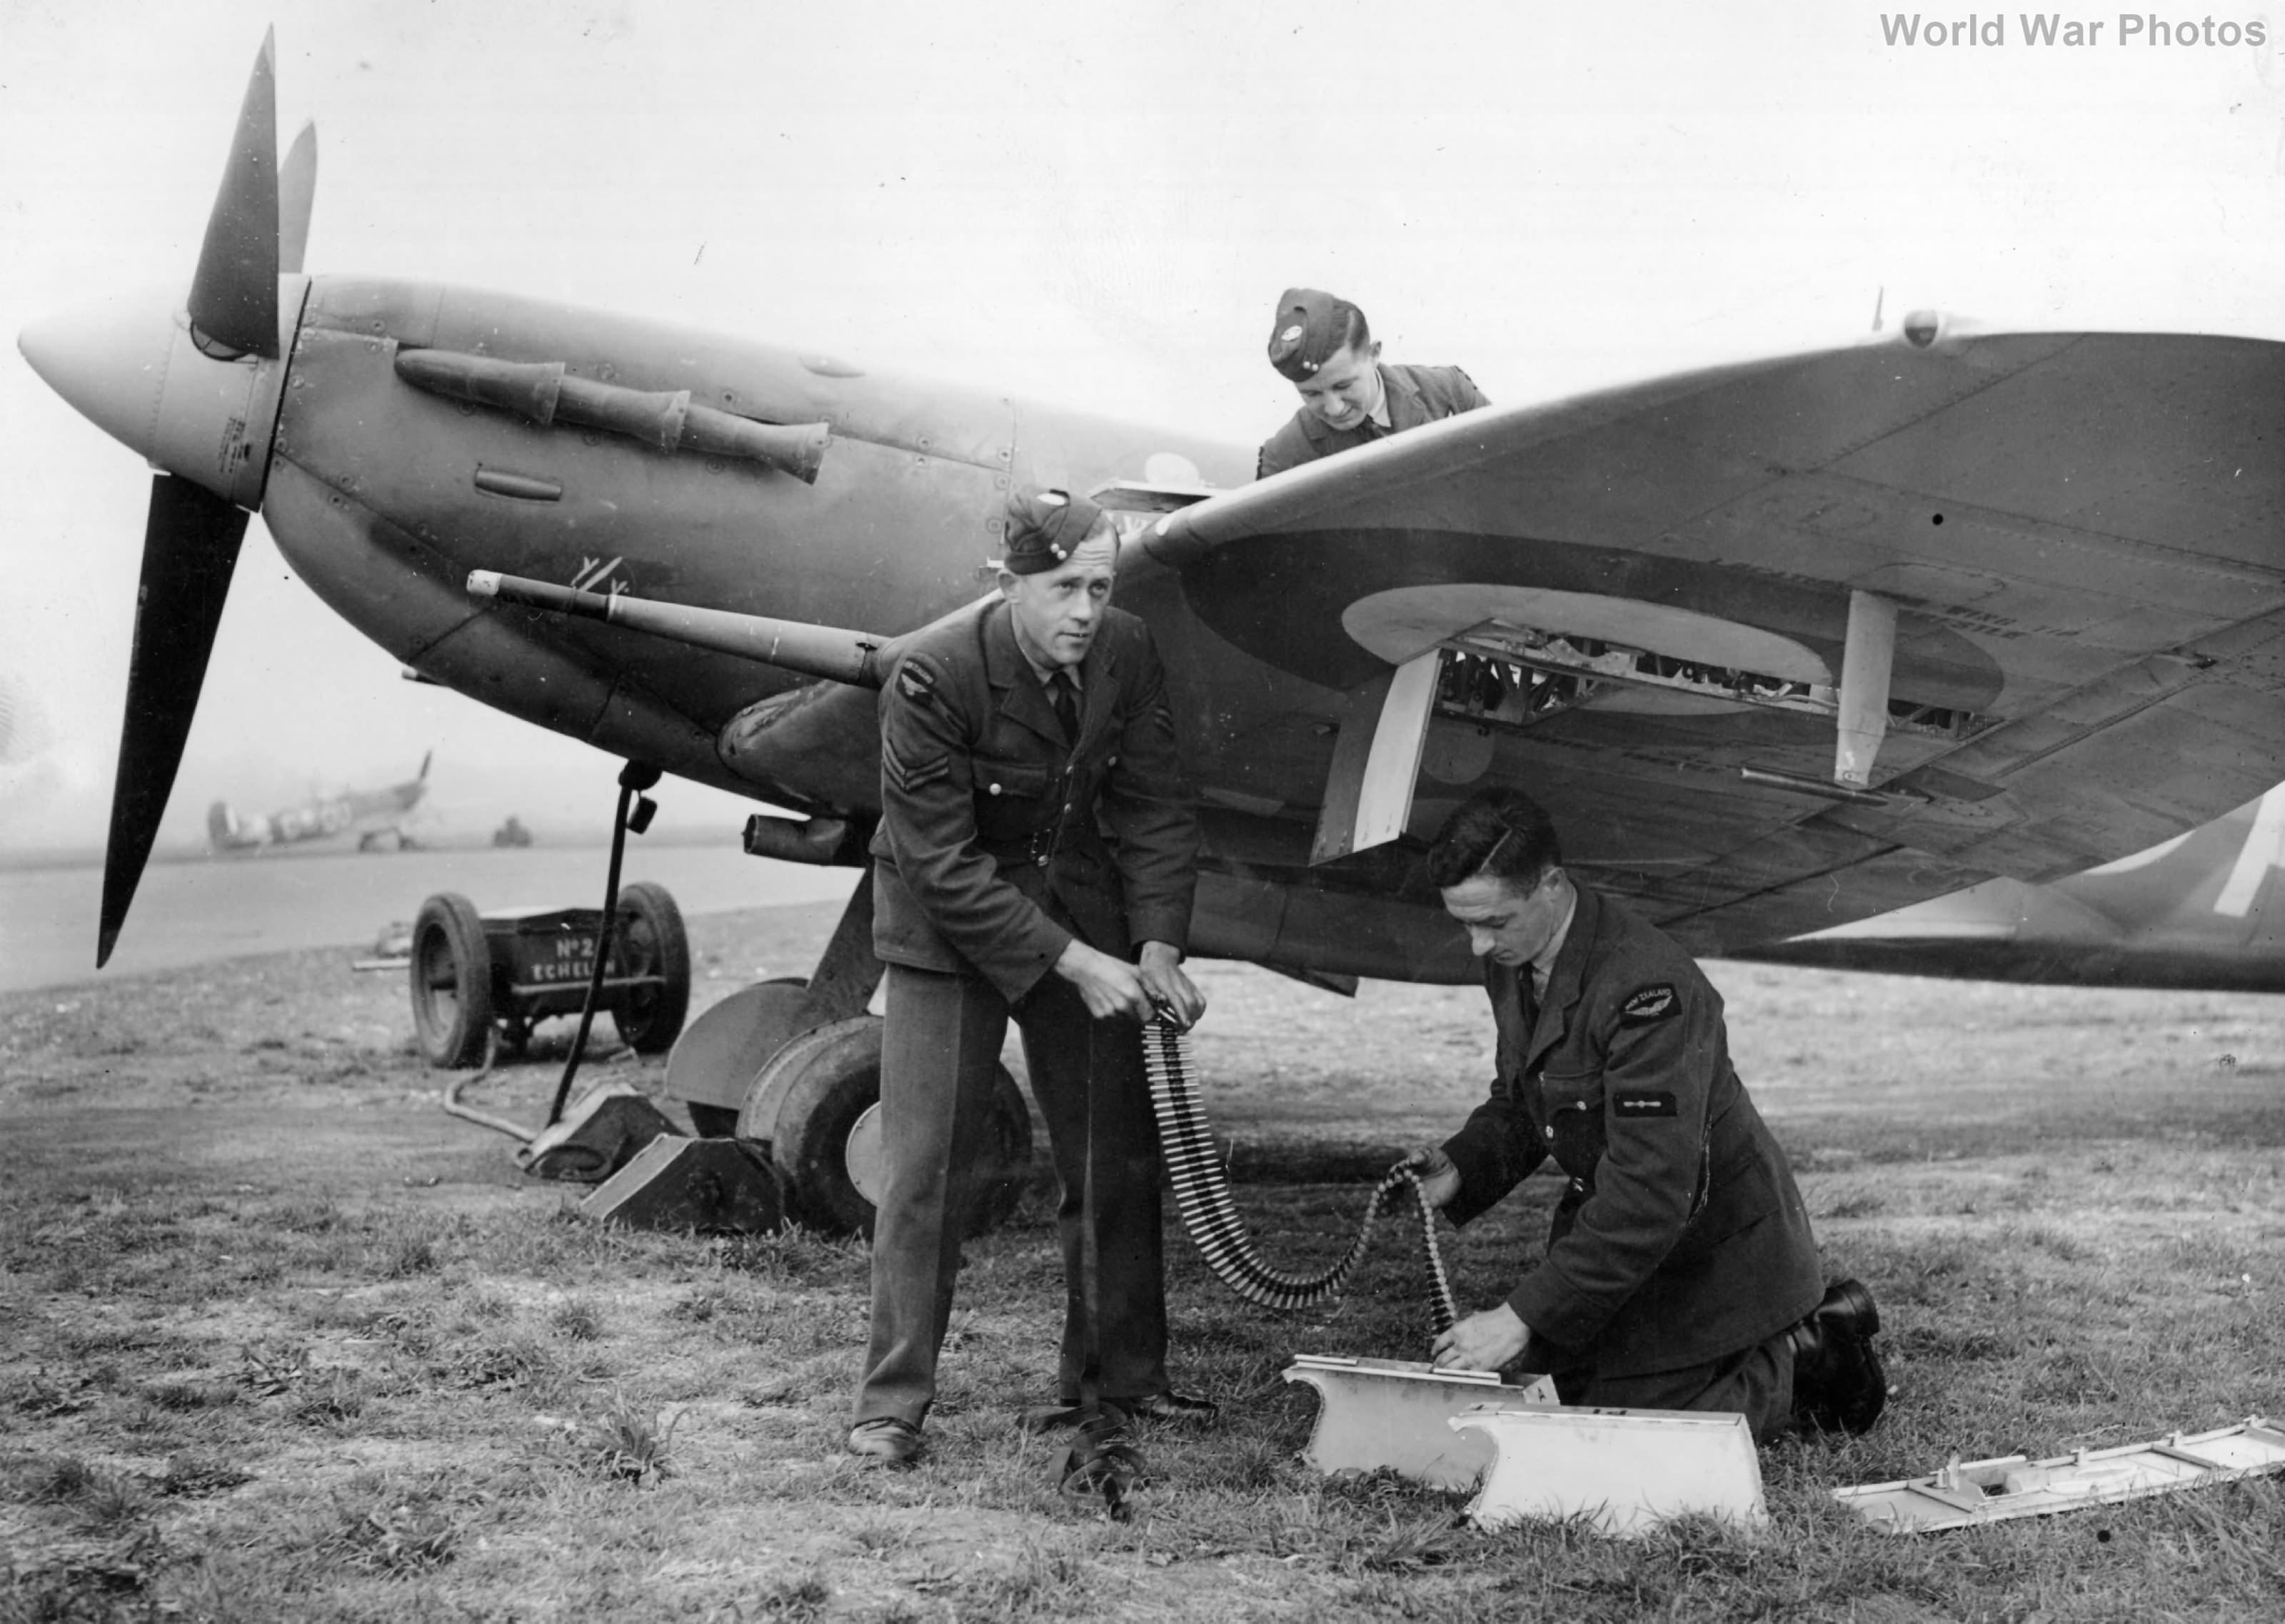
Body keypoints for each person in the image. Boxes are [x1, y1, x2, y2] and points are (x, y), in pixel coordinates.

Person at [847, 485, 1213, 1466]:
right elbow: (941, 865)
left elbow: (1155, 805)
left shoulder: (1125, 648)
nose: (1086, 612)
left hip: (1074, 904)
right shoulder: (931, 671)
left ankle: (1121, 1380)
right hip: (947, 923)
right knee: (926, 1165)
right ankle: (892, 1405)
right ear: (1009, 584)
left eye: (1100, 587)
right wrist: (1076, 961)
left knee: (1114, 1154)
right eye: (1063, 589)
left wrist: (1157, 945)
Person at [1394, 787, 1887, 1441]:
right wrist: (1459, 1167)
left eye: (1495, 922)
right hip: (1634, 1234)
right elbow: (1527, 1098)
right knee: (1565, 1397)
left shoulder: (1650, 988)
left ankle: (1808, 1349)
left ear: (1552, 885)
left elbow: (1652, 1187)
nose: (1480, 944)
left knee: (1639, 1430)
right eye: (1466, 924)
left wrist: (1519, 1317)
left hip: (1714, 1246)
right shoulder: (1516, 958)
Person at [1255, 287, 1490, 479]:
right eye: (1312, 394)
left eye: (1343, 386)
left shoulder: (1449, 392)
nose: (1334, 408)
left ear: (1374, 353)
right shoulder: (1283, 457)